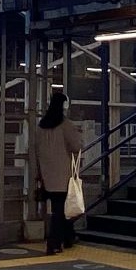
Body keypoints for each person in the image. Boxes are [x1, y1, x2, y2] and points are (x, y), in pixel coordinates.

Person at [30, 91, 82, 255]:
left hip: (46, 176)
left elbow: (35, 150)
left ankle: (68, 238)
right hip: (63, 176)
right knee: (61, 211)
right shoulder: (66, 125)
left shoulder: (41, 127)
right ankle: (54, 243)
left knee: (59, 209)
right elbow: (76, 146)